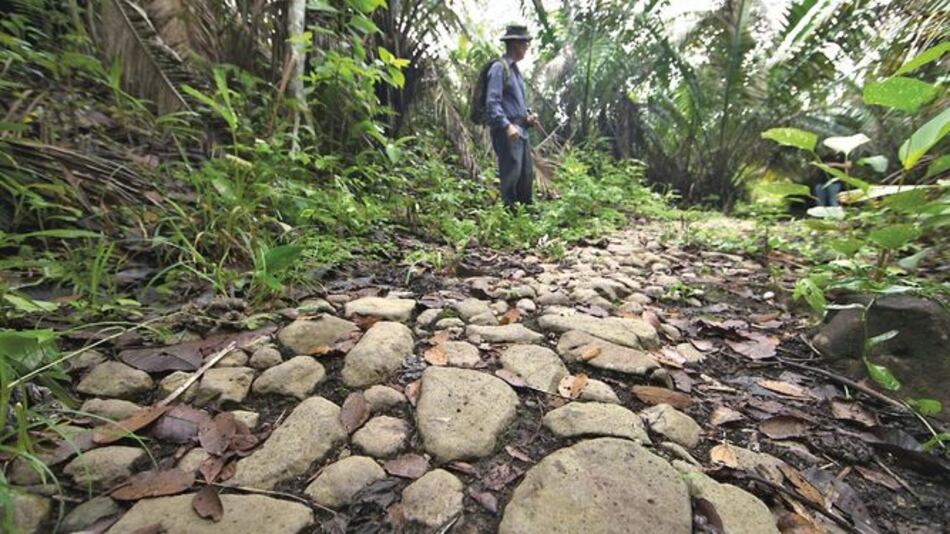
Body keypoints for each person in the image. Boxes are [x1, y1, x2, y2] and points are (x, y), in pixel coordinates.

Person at [486, 24, 538, 210]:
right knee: (511, 177)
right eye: (525, 43)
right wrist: (507, 126)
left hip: (521, 131)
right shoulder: (499, 68)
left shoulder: (516, 72)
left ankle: (525, 216)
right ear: (515, 43)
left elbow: (515, 104)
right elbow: (492, 102)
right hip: (508, 132)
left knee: (525, 177)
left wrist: (528, 118)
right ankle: (509, 216)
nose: (527, 47)